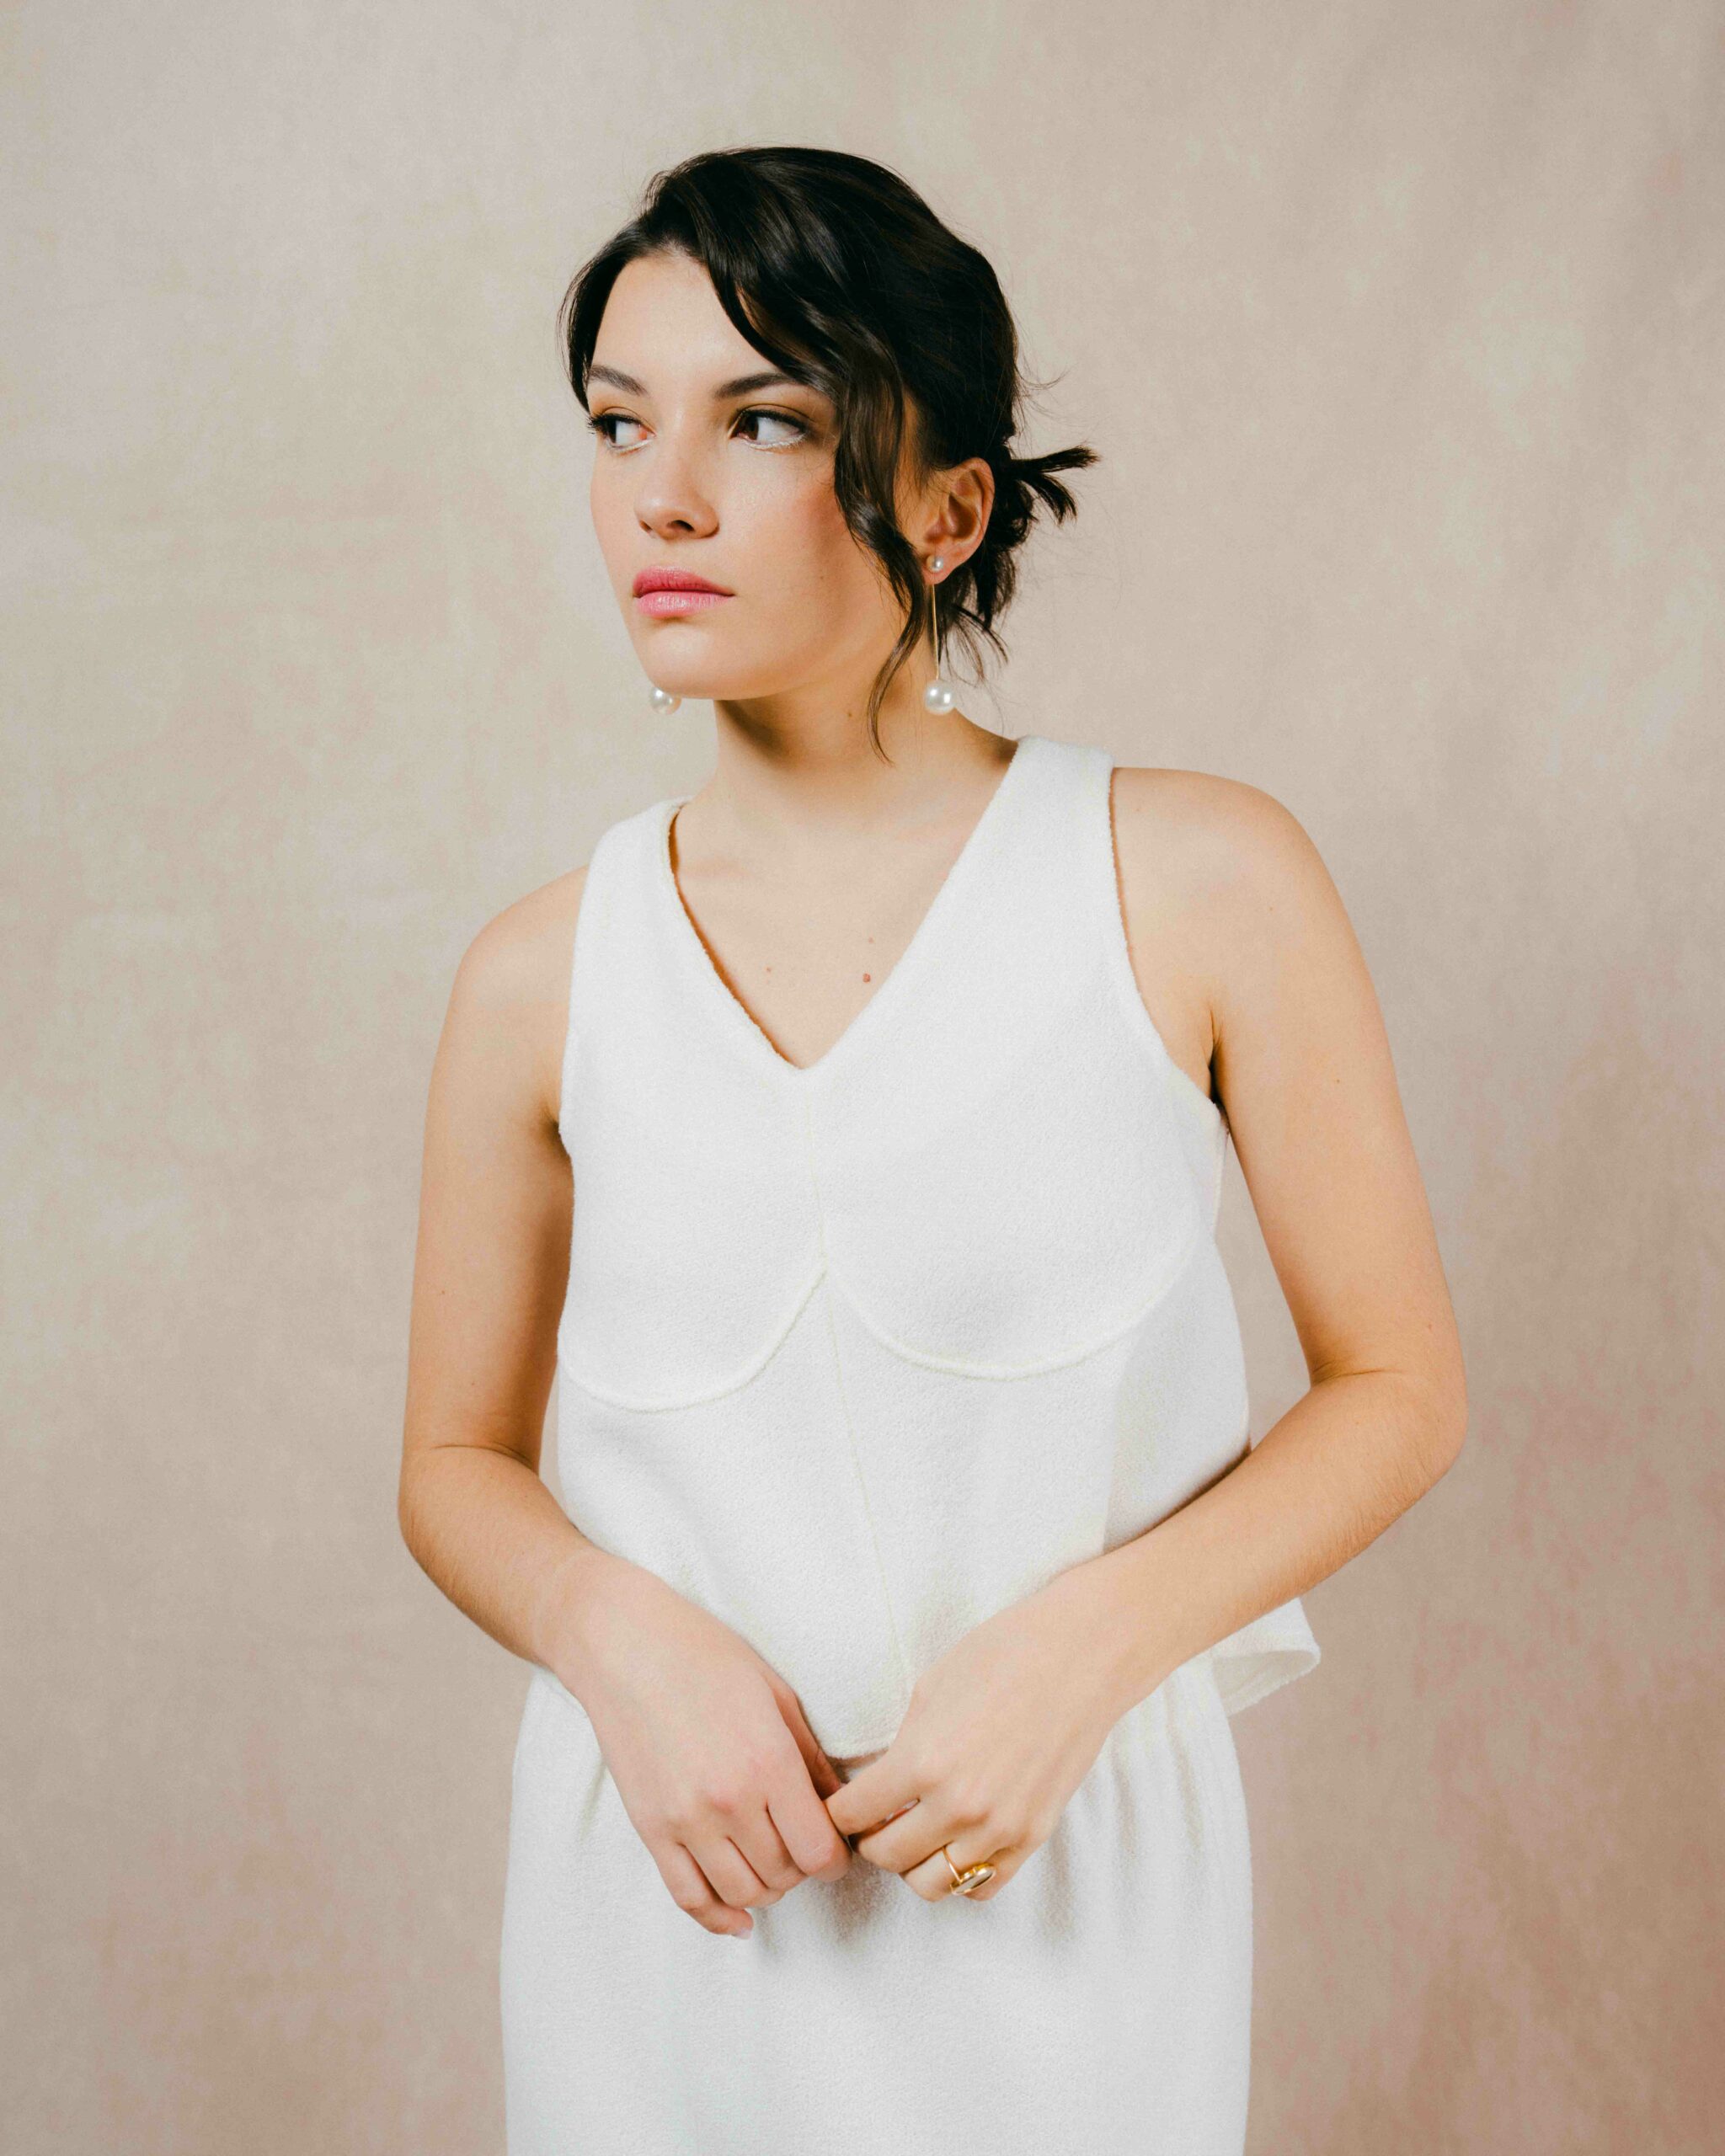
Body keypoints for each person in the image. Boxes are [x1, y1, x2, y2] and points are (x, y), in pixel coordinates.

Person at [398, 146, 1467, 2156]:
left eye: (763, 421)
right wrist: (615, 1639)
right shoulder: (537, 976)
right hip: (667, 1900)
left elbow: (1400, 1384)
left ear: (950, 503)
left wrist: (1091, 1647)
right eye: (619, 423)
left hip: (1060, 1886)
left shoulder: (1195, 878)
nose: (662, 496)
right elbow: (452, 1461)